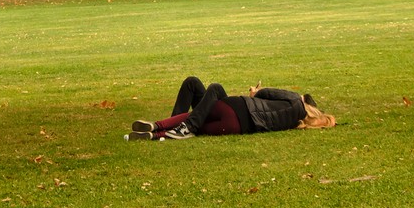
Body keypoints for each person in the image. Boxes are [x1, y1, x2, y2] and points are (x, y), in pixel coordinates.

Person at [126, 76, 336, 140]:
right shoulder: (296, 123)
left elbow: (265, 94)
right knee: (194, 86)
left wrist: (254, 91)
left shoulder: (294, 100)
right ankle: (160, 134)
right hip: (240, 125)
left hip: (239, 108)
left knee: (215, 89)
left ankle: (175, 126)